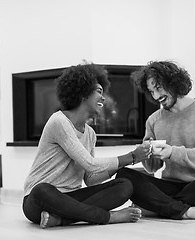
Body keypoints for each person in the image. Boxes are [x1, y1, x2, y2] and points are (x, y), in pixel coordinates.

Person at [22, 62, 151, 229]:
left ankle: (62, 219)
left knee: (124, 185)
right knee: (42, 190)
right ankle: (107, 217)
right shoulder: (59, 121)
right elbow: (89, 163)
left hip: (71, 198)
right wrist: (132, 156)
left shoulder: (90, 134)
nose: (103, 98)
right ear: (83, 93)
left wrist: (128, 161)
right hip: (39, 200)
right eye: (99, 91)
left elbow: (90, 179)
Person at [116, 60, 195, 220]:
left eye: (158, 88)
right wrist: (146, 152)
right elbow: (152, 168)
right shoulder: (153, 120)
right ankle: (187, 211)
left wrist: (172, 153)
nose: (155, 96)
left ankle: (157, 209)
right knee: (125, 174)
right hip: (169, 187)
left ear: (173, 82)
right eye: (151, 91)